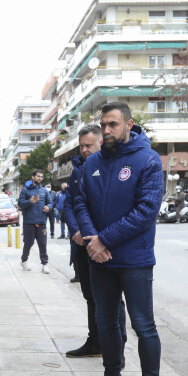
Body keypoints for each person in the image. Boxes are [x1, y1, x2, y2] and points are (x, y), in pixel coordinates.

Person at [73, 102, 164, 376]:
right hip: (100, 260)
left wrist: (103, 240)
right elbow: (81, 200)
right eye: (104, 125)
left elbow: (146, 210)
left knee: (143, 327)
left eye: (113, 124)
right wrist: (92, 237)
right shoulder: (94, 161)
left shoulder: (148, 160)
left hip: (134, 261)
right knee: (107, 322)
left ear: (129, 125)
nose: (107, 130)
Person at [64, 124, 127, 358]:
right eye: (81, 146)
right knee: (90, 296)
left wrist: (93, 235)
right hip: (81, 243)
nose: (84, 150)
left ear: (101, 142)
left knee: (111, 299)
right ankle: (95, 342)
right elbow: (70, 204)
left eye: (88, 145)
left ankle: (117, 348)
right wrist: (75, 230)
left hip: (101, 242)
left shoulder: (109, 165)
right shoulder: (77, 169)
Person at [18, 169, 52, 273]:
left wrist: (48, 207)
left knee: (42, 243)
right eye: (38, 176)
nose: (40, 178)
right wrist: (30, 201)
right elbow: (20, 204)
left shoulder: (44, 191)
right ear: (33, 177)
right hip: (29, 222)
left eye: (41, 177)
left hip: (42, 222)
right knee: (28, 243)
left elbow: (50, 202)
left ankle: (45, 264)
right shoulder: (25, 190)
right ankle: (24, 261)